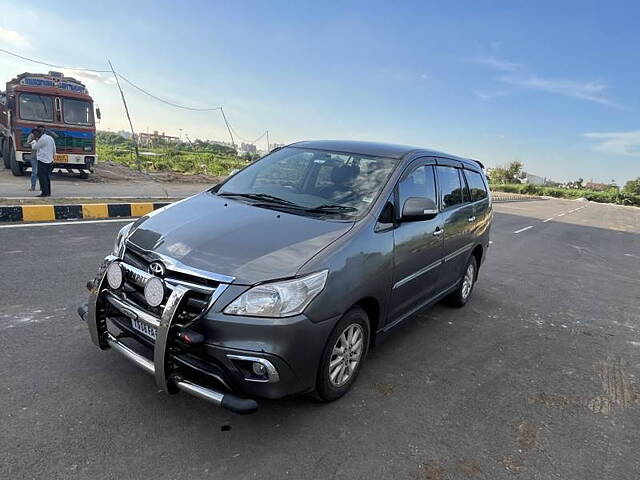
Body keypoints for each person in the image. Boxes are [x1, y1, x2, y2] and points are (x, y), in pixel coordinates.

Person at [30, 126, 56, 197]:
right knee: (47, 177)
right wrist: (53, 157)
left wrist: (34, 141)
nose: (35, 135)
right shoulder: (50, 138)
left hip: (42, 160)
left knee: (42, 177)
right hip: (50, 160)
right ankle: (48, 192)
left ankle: (44, 193)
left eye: (35, 134)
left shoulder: (42, 140)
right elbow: (54, 149)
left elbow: (34, 147)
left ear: (39, 133)